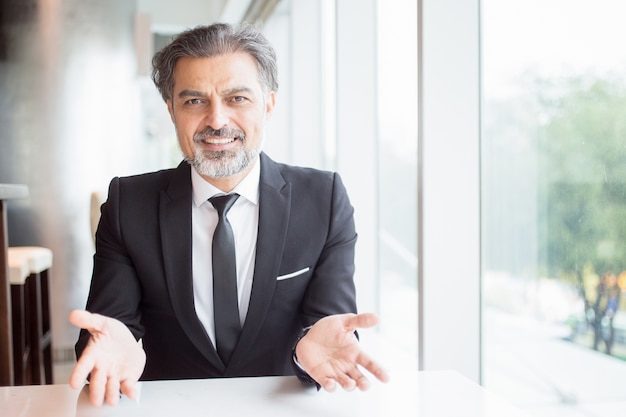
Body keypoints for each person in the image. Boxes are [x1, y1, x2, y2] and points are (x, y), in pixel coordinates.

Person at [69, 22, 388, 407]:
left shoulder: (323, 199)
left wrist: (311, 352)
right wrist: (112, 353)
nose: (217, 120)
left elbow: (328, 329)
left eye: (237, 98)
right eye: (194, 101)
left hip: (281, 407)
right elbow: (106, 333)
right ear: (170, 109)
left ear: (268, 104)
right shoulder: (128, 203)